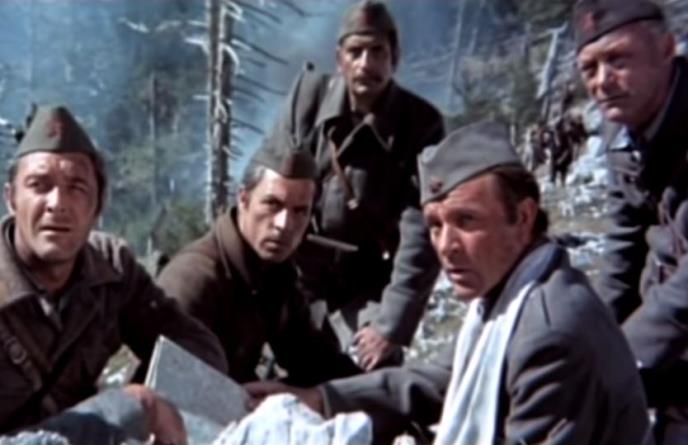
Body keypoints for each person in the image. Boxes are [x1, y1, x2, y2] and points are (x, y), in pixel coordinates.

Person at [245, 121, 650, 444]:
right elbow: (440, 380)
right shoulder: (517, 293)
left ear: (523, 218)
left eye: (466, 220)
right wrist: (320, 399)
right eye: (435, 225)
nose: (446, 246)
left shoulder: (548, 333)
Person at [0, 105, 227, 442]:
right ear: (12, 199)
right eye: (39, 185)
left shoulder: (111, 271)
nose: (57, 203)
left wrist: (152, 397)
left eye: (76, 187)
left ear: (98, 205)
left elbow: (197, 349)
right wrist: (128, 409)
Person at [267, 0, 445, 370]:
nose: (366, 64)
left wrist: (391, 325)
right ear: (339, 59)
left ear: (395, 58)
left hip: (364, 286)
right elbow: (266, 182)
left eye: (378, 52)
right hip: (294, 275)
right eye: (356, 52)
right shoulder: (307, 101)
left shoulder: (420, 125)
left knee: (373, 371)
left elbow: (420, 231)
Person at [157, 135, 361, 386]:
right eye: (273, 204)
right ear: (244, 200)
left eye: (300, 211)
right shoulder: (194, 280)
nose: (284, 224)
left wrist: (379, 392)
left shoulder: (275, 273)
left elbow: (313, 358)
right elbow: (164, 388)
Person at [574, 0, 688, 441]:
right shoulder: (620, 126)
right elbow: (624, 246)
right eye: (589, 68)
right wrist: (593, 339)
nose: (602, 82)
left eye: (618, 60)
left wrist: (622, 357)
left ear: (666, 49)